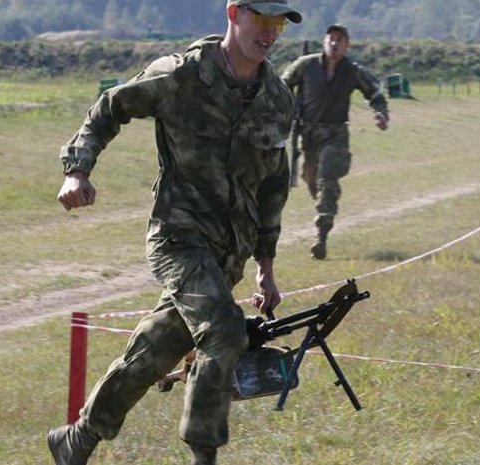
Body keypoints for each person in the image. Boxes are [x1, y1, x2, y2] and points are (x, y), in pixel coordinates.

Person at [46, 1, 302, 465]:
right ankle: (205, 455)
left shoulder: (277, 99)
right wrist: (77, 170)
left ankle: (78, 438)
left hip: (229, 255)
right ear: (233, 13)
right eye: (260, 19)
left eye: (278, 23)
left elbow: (273, 186)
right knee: (224, 332)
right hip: (178, 238)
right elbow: (111, 106)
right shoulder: (181, 75)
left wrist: (266, 266)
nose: (269, 32)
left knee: (154, 352)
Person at [281, 24, 389, 260]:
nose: (334, 43)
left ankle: (321, 236)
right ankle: (324, 207)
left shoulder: (352, 71)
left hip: (336, 136)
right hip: (309, 137)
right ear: (324, 41)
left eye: (340, 39)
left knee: (326, 178)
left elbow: (376, 92)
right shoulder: (306, 65)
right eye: (331, 38)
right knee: (312, 181)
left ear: (346, 45)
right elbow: (281, 86)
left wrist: (381, 113)